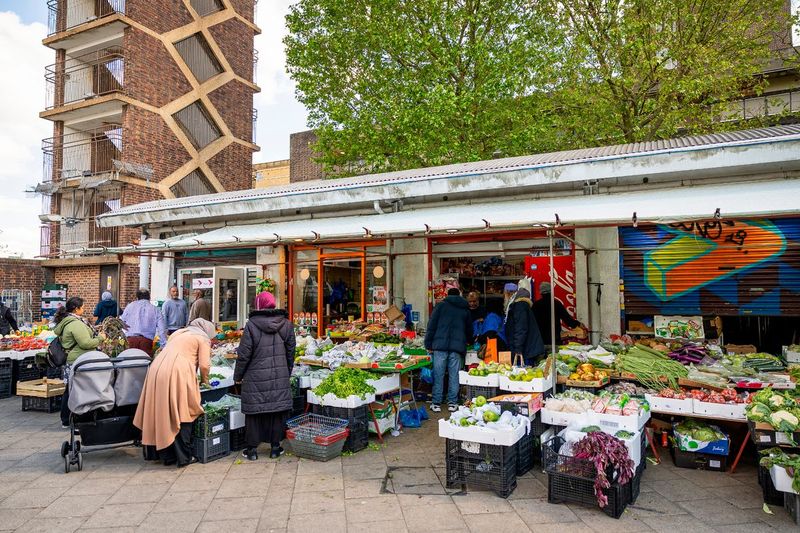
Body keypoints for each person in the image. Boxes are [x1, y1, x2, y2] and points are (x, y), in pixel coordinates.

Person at [134, 318, 214, 468]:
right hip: (177, 371)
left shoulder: (178, 333)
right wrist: (205, 381)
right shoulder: (202, 338)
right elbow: (204, 365)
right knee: (184, 411)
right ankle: (183, 456)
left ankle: (164, 455)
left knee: (162, 411)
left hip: (156, 369)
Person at [234, 291, 296, 460]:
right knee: (276, 411)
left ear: (259, 304)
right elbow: (291, 353)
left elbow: (244, 354)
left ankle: (252, 450)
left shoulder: (252, 324)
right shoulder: (287, 324)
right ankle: (275, 448)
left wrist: (237, 375)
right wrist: (286, 371)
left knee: (254, 413)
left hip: (255, 376)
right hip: (279, 374)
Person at [53, 297, 105, 427]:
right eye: (83, 306)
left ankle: (66, 419)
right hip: (78, 360)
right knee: (75, 390)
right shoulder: (75, 323)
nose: (84, 308)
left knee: (70, 390)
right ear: (76, 309)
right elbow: (86, 343)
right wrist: (100, 338)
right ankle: (73, 419)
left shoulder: (69, 321)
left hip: (73, 360)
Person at [424, 288, 472, 413]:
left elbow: (431, 326)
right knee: (454, 375)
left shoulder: (440, 306)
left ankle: (436, 403)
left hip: (440, 346)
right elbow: (469, 329)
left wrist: (428, 343)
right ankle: (452, 403)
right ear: (460, 295)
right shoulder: (464, 309)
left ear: (447, 295)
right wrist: (470, 341)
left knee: (438, 375)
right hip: (457, 348)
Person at [532, 281, 585, 348]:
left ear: (541, 292)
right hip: (554, 338)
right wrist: (578, 324)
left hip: (539, 339)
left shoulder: (536, 305)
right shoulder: (556, 303)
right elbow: (567, 320)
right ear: (551, 291)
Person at [505, 280, 545, 366]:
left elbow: (521, 328)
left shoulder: (520, 306)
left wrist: (518, 349)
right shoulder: (524, 306)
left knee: (522, 373)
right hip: (527, 348)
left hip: (525, 350)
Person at [120, 288, 166, 357]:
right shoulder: (156, 310)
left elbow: (121, 322)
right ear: (149, 297)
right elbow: (161, 329)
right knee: (144, 364)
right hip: (146, 341)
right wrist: (163, 345)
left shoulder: (130, 306)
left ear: (137, 297)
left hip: (131, 340)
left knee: (130, 364)